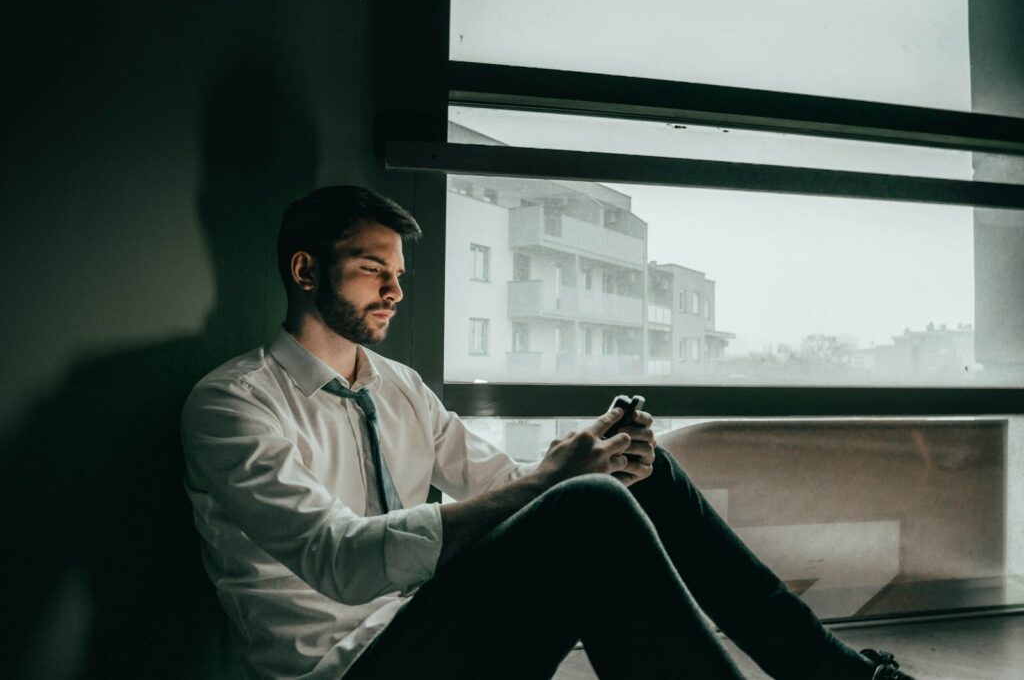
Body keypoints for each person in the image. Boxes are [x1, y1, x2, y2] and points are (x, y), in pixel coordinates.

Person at [181, 185, 915, 679]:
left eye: (400, 272)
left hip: (441, 630)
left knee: (635, 471)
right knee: (587, 504)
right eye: (373, 269)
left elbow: (502, 483)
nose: (396, 290)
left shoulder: (397, 385)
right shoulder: (231, 405)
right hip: (350, 669)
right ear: (306, 270)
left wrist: (593, 451)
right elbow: (337, 559)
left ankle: (841, 677)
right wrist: (561, 480)